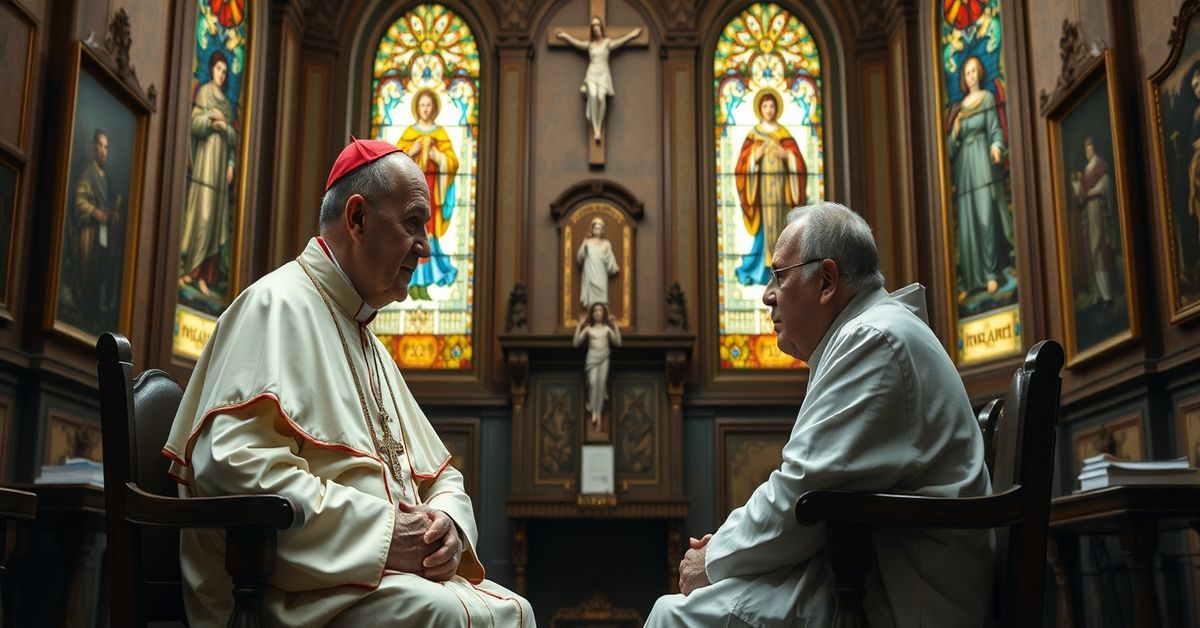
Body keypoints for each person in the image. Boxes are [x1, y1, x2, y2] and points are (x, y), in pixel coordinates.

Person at [163, 138, 533, 627]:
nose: (425, 246)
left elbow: (442, 477)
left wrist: (448, 526)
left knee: (517, 611)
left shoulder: (371, 346)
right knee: (447, 616)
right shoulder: (274, 306)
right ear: (357, 219)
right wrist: (383, 538)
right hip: (289, 593)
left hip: (376, 582)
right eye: (413, 224)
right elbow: (233, 469)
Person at [646, 202, 993, 627]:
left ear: (826, 280)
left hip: (900, 601)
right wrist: (724, 547)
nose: (766, 294)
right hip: (866, 576)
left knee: (675, 617)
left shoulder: (872, 340)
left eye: (778, 275)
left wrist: (711, 559)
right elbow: (810, 492)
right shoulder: (870, 332)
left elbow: (800, 494)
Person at [950, 55, 1013, 303]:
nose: (971, 76)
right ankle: (972, 280)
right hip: (965, 169)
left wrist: (997, 146)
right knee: (968, 226)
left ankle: (990, 273)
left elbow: (995, 129)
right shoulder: (960, 109)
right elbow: (949, 148)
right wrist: (955, 131)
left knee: (986, 219)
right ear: (964, 79)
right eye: (967, 73)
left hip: (984, 166)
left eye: (974, 71)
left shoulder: (987, 99)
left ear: (980, 74)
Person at [180, 50, 238, 301]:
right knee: (201, 217)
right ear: (212, 69)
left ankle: (205, 278)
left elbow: (234, 140)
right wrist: (210, 121)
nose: (221, 75)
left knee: (215, 222)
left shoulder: (227, 103)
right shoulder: (203, 93)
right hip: (204, 164)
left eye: (225, 72)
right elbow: (193, 123)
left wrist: (232, 163)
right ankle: (190, 271)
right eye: (218, 69)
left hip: (219, 172)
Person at [735, 88, 806, 285]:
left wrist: (787, 157)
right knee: (765, 228)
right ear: (760, 108)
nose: (768, 109)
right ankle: (764, 267)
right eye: (765, 106)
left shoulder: (784, 134)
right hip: (763, 193)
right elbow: (742, 165)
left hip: (782, 193)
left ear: (776, 108)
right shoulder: (753, 135)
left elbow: (799, 164)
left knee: (782, 224)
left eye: (772, 105)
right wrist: (753, 160)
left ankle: (785, 266)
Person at [396, 88, 459, 300]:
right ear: (416, 108)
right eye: (421, 105)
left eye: (428, 105)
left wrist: (437, 156)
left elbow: (453, 162)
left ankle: (424, 283)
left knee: (427, 233)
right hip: (410, 193)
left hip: (432, 190)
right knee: (411, 231)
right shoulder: (409, 134)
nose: (425, 109)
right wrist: (410, 151)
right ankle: (412, 284)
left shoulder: (440, 134)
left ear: (434, 108)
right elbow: (391, 162)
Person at [555, 17, 642, 141]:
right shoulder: (590, 45)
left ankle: (599, 125)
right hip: (592, 74)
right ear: (592, 30)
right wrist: (565, 36)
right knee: (594, 96)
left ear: (601, 28)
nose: (596, 28)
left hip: (603, 75)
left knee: (602, 97)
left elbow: (620, 41)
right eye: (593, 26)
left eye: (597, 25)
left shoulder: (607, 43)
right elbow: (576, 43)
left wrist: (632, 35)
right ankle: (596, 129)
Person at [72, 129, 122, 321]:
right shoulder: (88, 172)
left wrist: (112, 214)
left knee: (97, 275)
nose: (103, 151)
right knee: (85, 273)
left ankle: (91, 312)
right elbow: (79, 200)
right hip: (88, 233)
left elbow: (107, 205)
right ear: (94, 148)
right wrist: (94, 212)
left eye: (106, 147)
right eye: (100, 146)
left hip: (101, 235)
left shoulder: (105, 177)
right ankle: (81, 310)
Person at [1071, 136, 1118, 309]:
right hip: (1088, 216)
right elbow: (1082, 197)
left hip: (1098, 211)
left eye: (1090, 148)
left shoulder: (1100, 167)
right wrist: (1078, 189)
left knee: (1100, 252)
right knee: (1091, 254)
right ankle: (1098, 295)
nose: (1087, 151)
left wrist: (1094, 191)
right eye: (1086, 148)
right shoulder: (1084, 172)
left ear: (1094, 148)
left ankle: (1107, 296)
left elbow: (1106, 186)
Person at [573, 302, 621, 429]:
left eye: (600, 310)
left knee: (601, 383)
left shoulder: (606, 329)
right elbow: (576, 343)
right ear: (592, 314)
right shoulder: (589, 329)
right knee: (593, 383)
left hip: (604, 357)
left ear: (604, 313)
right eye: (595, 310)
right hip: (592, 359)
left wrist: (615, 324)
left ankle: (597, 412)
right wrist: (579, 324)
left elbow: (618, 342)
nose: (597, 312)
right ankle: (592, 407)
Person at [576, 217, 619, 310]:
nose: (597, 230)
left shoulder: (606, 243)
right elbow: (579, 258)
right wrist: (584, 248)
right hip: (590, 271)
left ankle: (602, 312)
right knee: (591, 294)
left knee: (601, 293)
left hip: (601, 272)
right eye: (595, 228)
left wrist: (611, 265)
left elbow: (609, 257)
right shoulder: (587, 242)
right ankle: (590, 312)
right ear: (592, 229)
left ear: (602, 230)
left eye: (599, 228)